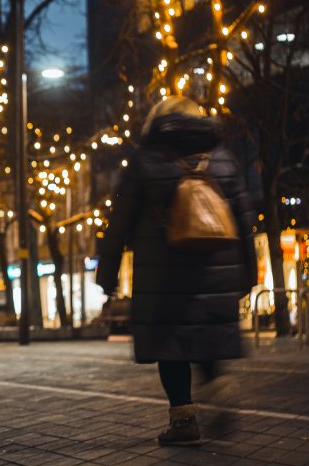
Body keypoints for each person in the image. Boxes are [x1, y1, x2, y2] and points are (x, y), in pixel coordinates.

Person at [96, 96, 257, 446]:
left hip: (162, 276)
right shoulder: (224, 160)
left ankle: (184, 420)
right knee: (207, 337)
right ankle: (219, 386)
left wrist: (106, 275)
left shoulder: (144, 162)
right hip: (215, 272)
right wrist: (250, 273)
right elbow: (246, 221)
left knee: (171, 346)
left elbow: (118, 225)